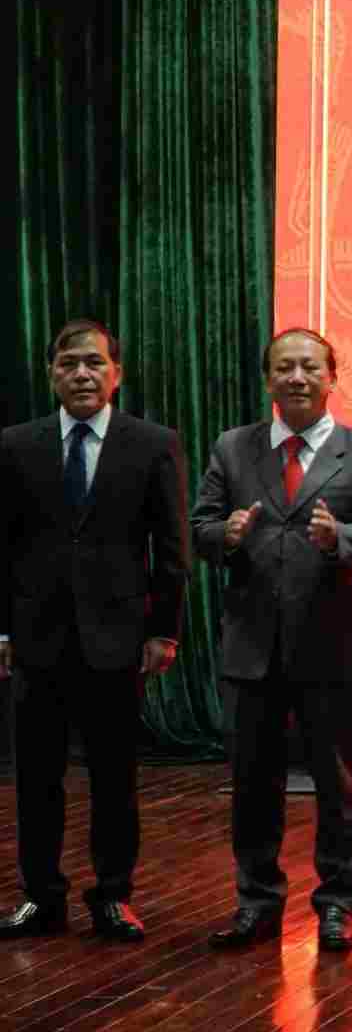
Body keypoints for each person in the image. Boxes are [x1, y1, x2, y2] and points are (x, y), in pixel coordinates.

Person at [192, 328, 352, 952]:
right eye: (284, 367)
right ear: (268, 380)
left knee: (339, 788)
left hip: (328, 647)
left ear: (332, 376)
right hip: (251, 646)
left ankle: (337, 906)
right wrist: (224, 536)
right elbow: (200, 526)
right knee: (253, 787)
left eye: (310, 367)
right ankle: (256, 904)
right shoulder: (233, 448)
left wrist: (341, 539)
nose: (298, 377)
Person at [0, 319, 189, 943]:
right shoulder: (15, 445)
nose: (82, 374)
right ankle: (41, 898)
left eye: (94, 363)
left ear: (117, 373)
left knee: (115, 778)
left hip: (118, 639)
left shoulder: (153, 443)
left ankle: (113, 896)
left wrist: (164, 631)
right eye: (69, 364)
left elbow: (172, 548)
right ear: (50, 374)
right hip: (37, 639)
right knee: (36, 779)